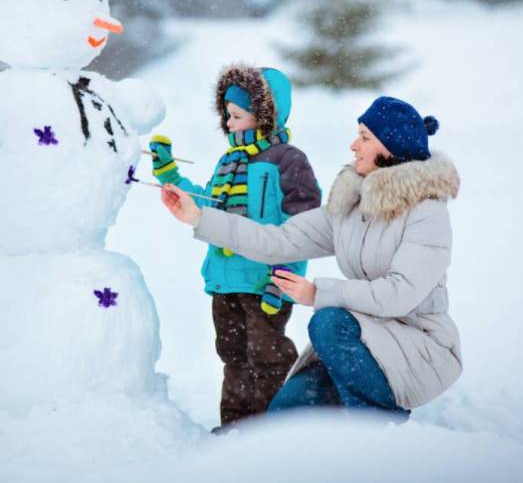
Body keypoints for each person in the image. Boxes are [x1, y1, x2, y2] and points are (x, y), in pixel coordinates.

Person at [159, 96, 462, 417]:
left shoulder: (427, 214)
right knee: (284, 416)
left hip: (418, 346)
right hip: (364, 339)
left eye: (365, 137)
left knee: (328, 321)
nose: (353, 145)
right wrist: (198, 218)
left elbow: (399, 295)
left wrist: (318, 293)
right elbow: (278, 241)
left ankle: (380, 426)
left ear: (390, 147)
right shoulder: (352, 207)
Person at [149, 64, 321, 429]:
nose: (229, 124)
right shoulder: (228, 161)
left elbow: (305, 227)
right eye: (227, 115)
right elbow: (208, 205)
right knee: (233, 355)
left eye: (237, 116)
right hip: (226, 280)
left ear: (264, 115)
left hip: (265, 283)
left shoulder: (288, 161)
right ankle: (235, 427)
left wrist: (285, 279)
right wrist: (169, 177)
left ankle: (275, 429)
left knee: (267, 355)